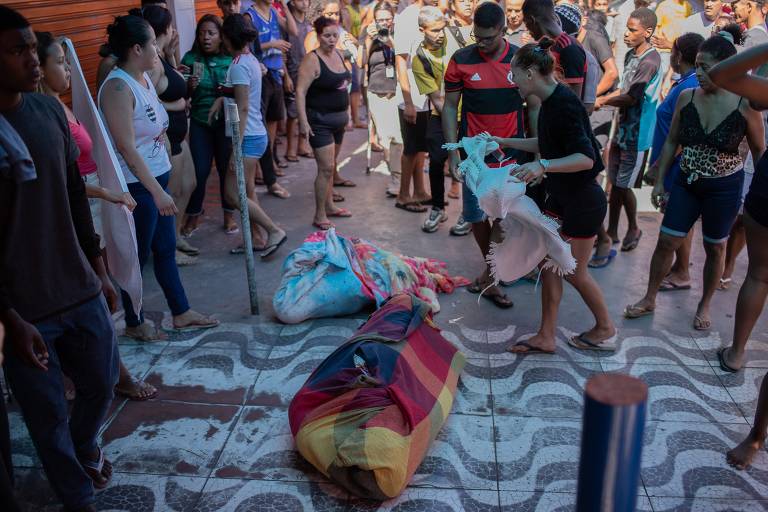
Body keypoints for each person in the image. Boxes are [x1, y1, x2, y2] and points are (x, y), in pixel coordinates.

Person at [0, 6, 120, 509]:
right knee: (46, 416)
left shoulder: (49, 112)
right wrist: (9, 317)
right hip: (24, 306)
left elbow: (74, 196)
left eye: (33, 48)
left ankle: (84, 445)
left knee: (102, 381)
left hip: (76, 283)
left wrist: (99, 269)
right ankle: (77, 496)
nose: (33, 59)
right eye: (18, 51)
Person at [36, 32, 159, 402]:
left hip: (87, 207)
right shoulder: (43, 116)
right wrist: (109, 193)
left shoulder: (59, 106)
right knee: (94, 296)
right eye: (60, 63)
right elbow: (63, 182)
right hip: (75, 213)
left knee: (101, 293)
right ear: (38, 68)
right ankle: (113, 373)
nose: (68, 70)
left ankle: (100, 371)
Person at [624, 29, 765, 332]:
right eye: (697, 65)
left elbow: (758, 152)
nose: (699, 73)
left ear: (726, 69)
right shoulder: (686, 97)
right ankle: (649, 298)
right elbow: (672, 141)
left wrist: (753, 194)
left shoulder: (745, 105)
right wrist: (659, 182)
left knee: (715, 248)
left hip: (724, 188)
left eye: (706, 67)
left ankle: (704, 304)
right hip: (686, 182)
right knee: (666, 241)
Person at [98, 15, 219, 340]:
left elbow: (156, 124)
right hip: (138, 187)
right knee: (135, 257)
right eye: (152, 42)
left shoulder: (143, 78)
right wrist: (157, 192)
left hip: (156, 181)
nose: (158, 48)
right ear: (136, 49)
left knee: (165, 249)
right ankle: (134, 321)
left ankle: (181, 312)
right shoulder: (118, 87)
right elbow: (126, 147)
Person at [495, 39, 616, 354]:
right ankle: (546, 335)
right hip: (562, 197)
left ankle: (605, 327)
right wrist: (504, 141)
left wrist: (543, 166)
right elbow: (546, 144)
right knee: (549, 264)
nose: (513, 81)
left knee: (572, 271)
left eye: (514, 75)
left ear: (530, 73)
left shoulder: (564, 104)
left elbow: (585, 158)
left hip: (583, 201)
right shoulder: (550, 100)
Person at [443, 1, 529, 307]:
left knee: (504, 220)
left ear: (503, 30)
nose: (481, 43)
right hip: (473, 156)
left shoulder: (520, 59)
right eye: (476, 37)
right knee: (476, 217)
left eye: (488, 38)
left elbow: (533, 106)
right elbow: (450, 107)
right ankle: (492, 272)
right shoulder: (460, 60)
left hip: (511, 155)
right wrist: (453, 154)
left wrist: (535, 150)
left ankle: (491, 276)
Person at [208, 14, 289, 257]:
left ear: (227, 38)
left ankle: (274, 231)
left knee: (233, 194)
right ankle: (256, 238)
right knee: (248, 191)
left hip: (248, 137)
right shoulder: (248, 59)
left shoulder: (240, 65)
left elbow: (243, 108)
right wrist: (221, 100)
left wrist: (236, 148)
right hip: (253, 134)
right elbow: (239, 96)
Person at [591, 8, 662, 266]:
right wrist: (602, 98)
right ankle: (613, 230)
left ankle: (631, 227)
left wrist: (600, 101)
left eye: (632, 31)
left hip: (637, 134)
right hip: (622, 130)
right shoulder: (633, 54)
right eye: (627, 29)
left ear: (648, 32)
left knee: (622, 185)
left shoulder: (650, 61)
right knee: (615, 182)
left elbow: (631, 96)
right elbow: (624, 87)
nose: (626, 35)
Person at [130, 5, 199, 266]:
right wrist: (177, 104)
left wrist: (171, 54)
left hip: (179, 135)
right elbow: (147, 99)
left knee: (189, 184)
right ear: (166, 29)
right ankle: (168, 246)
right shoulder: (152, 64)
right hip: (167, 137)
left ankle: (176, 235)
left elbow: (172, 83)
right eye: (171, 27)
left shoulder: (160, 56)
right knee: (174, 192)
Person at [647, 32, 704, 293]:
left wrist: (658, 167)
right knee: (681, 222)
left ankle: (681, 271)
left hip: (674, 166)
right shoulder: (685, 82)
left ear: (678, 55)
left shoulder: (688, 87)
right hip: (671, 164)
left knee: (675, 223)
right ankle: (681, 269)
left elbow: (682, 133)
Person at [720, 0, 768, 289]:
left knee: (759, 275)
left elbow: (723, 75)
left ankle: (726, 268)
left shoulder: (759, 37)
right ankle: (726, 268)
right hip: (757, 141)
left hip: (757, 140)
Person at [297, 15, 355, 230]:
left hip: (339, 120)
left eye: (334, 35)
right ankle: (319, 214)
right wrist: (303, 122)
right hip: (319, 121)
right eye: (327, 36)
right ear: (318, 36)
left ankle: (330, 206)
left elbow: (344, 85)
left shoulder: (339, 53)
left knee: (331, 167)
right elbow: (300, 92)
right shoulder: (311, 60)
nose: (331, 40)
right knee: (326, 168)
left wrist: (348, 114)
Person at [182, 15, 237, 237]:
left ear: (221, 37)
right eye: (202, 33)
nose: (206, 38)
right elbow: (181, 94)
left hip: (225, 124)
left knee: (226, 170)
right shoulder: (190, 58)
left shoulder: (231, 59)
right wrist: (189, 87)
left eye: (211, 33)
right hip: (200, 122)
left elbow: (239, 91)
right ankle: (193, 216)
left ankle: (229, 216)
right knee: (200, 171)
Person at [412, 6, 466, 233]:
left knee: (470, 164)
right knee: (436, 160)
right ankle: (437, 208)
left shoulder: (457, 37)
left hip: (470, 112)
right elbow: (437, 100)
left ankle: (469, 213)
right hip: (442, 114)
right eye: (434, 30)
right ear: (422, 30)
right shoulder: (420, 60)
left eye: (442, 28)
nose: (441, 34)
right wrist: (453, 131)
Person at [304, 0, 360, 193]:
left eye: (337, 13)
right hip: (320, 112)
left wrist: (353, 44)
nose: (335, 17)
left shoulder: (340, 36)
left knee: (333, 154)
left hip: (339, 106)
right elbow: (313, 66)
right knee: (325, 162)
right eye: (330, 14)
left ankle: (333, 180)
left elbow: (356, 57)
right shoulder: (313, 39)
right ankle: (326, 196)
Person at [245, 0, 296, 198]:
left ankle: (269, 163)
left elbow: (293, 30)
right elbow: (247, 47)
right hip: (261, 74)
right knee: (260, 125)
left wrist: (284, 5)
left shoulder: (274, 12)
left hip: (276, 73)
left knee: (273, 121)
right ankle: (261, 168)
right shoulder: (250, 16)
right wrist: (272, 44)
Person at [393, 0, 435, 212]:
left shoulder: (432, 12)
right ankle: (403, 195)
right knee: (410, 148)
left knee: (420, 147)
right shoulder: (407, 17)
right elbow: (400, 60)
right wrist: (408, 101)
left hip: (426, 95)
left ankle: (419, 191)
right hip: (412, 96)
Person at [362, 2, 404, 184]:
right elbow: (360, 62)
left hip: (398, 90)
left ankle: (397, 179)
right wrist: (369, 39)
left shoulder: (400, 32)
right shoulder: (368, 33)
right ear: (374, 20)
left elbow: (406, 58)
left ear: (393, 18)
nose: (385, 23)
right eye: (380, 20)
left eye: (388, 19)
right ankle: (396, 178)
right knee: (386, 137)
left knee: (399, 137)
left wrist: (389, 40)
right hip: (377, 91)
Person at [522, 0, 587, 100]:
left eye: (526, 23)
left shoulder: (569, 47)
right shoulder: (543, 46)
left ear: (532, 20)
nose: (526, 30)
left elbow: (573, 99)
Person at [284, 0, 314, 162]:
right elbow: (282, 52)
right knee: (293, 113)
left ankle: (303, 145)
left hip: (308, 72)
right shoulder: (288, 24)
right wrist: (286, 76)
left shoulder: (309, 24)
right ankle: (290, 148)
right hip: (292, 70)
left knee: (307, 110)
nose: (304, 3)